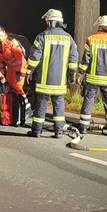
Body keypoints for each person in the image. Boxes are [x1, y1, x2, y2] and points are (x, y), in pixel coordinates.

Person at [26, 9, 79, 138]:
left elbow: (34, 58)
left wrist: (28, 72)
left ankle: (37, 131)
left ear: (51, 22)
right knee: (59, 105)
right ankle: (59, 131)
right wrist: (71, 76)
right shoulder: (69, 39)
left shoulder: (42, 36)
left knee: (41, 105)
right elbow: (73, 60)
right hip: (60, 81)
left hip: (44, 80)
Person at [78, 15, 107, 135]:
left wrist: (80, 74)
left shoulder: (91, 39)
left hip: (92, 78)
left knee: (88, 101)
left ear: (100, 26)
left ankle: (83, 126)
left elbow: (85, 61)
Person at [0, 26, 31, 126]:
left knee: (17, 86)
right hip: (10, 68)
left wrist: (20, 72)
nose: (0, 38)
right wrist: (2, 73)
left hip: (19, 67)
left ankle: (27, 107)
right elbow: (1, 60)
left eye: (1, 35)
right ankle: (13, 113)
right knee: (9, 88)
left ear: (4, 33)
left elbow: (20, 57)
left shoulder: (11, 42)